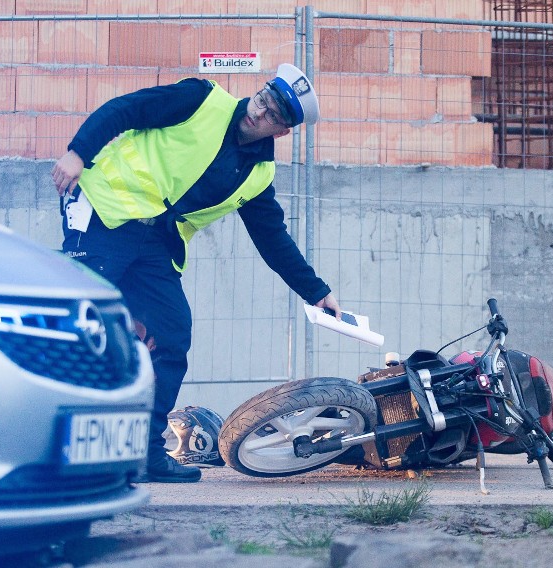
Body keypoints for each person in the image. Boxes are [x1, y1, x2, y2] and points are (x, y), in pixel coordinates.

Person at [51, 64, 342, 483]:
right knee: (81, 321)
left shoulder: (259, 175)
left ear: (283, 131)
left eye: (274, 115)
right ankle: (50, 443)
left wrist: (315, 291)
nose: (260, 112)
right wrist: (78, 152)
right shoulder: (201, 100)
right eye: (263, 99)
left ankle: (145, 455)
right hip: (103, 209)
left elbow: (271, 237)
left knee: (170, 335)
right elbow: (126, 109)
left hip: (155, 241)